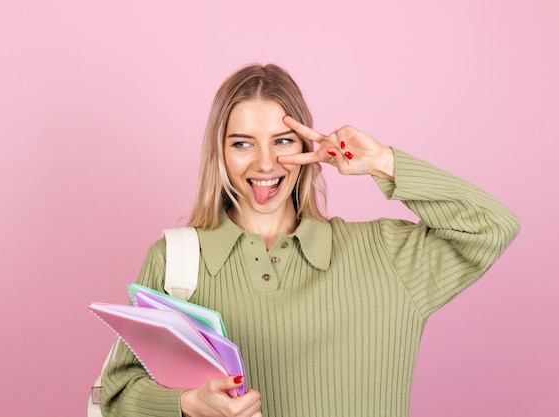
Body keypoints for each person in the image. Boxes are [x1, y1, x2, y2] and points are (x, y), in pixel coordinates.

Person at [100, 64, 520, 417]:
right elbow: (117, 395)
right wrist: (189, 404)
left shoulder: (385, 256)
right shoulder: (176, 260)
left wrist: (381, 164)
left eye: (282, 140)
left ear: (306, 146)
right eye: (242, 143)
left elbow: (493, 226)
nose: (265, 163)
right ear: (220, 153)